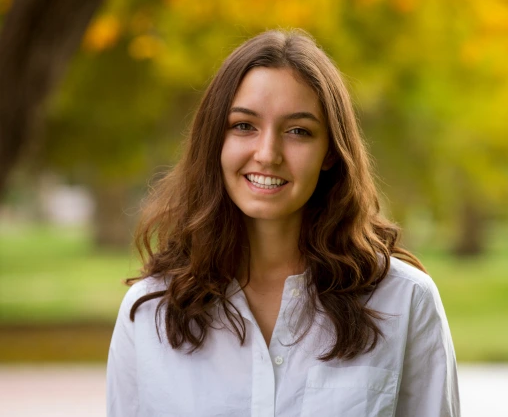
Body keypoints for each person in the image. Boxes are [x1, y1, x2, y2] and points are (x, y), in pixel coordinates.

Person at [106, 29, 460, 417]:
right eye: (244, 125)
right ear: (214, 141)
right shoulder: (150, 312)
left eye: (298, 131)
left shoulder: (404, 301)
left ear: (330, 152)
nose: (267, 153)